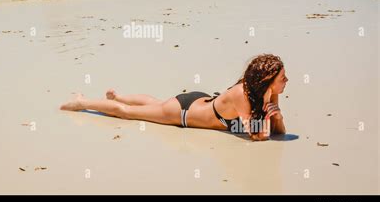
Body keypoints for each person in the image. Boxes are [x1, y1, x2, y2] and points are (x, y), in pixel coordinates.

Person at [60, 54, 288, 141]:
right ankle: (82, 102)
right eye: (283, 78)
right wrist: (272, 117)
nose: (286, 81)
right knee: (127, 114)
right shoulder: (241, 94)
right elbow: (257, 136)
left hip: (199, 101)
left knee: (155, 103)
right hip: (182, 113)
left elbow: (278, 132)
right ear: (267, 79)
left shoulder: (267, 92)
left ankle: (118, 95)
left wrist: (277, 117)